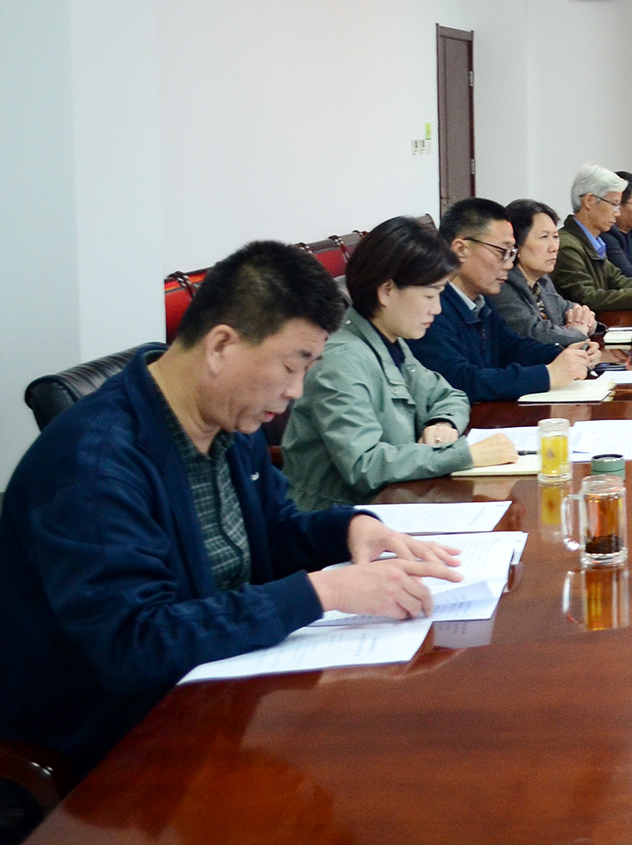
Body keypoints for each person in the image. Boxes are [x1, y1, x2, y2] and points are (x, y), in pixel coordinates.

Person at [0, 240, 464, 778]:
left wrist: (349, 529)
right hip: (121, 745)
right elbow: (136, 645)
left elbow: (271, 533)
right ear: (221, 346)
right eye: (292, 366)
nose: (296, 391)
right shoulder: (96, 464)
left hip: (228, 693)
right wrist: (325, 591)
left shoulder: (231, 419)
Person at [282, 217, 520, 509]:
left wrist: (442, 422)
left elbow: (450, 395)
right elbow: (364, 465)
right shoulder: (342, 361)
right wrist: (464, 454)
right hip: (338, 525)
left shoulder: (391, 342)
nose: (437, 308)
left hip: (396, 505)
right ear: (386, 290)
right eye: (430, 295)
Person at [410, 198, 603, 400]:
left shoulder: (480, 302)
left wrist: (567, 356)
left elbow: (513, 347)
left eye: (512, 253)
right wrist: (548, 374)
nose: (509, 265)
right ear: (460, 250)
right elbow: (460, 380)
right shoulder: (432, 309)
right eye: (502, 252)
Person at [555, 164, 632, 312]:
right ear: (589, 201)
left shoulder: (593, 242)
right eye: (614, 204)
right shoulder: (568, 246)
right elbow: (587, 297)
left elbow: (619, 280)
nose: (617, 213)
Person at [495, 198, 601, 346]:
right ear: (516, 244)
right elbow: (535, 334)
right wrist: (578, 332)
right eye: (544, 237)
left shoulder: (541, 281)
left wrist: (586, 318)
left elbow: (568, 308)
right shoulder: (502, 285)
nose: (554, 247)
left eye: (556, 237)